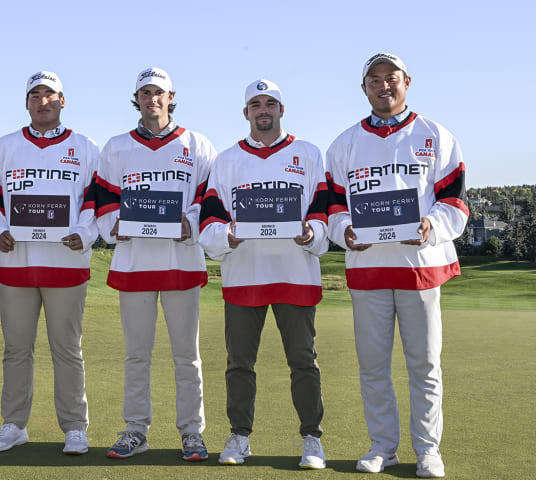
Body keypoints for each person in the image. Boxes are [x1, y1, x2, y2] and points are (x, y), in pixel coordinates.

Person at [325, 53, 468, 478]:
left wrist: (430, 226)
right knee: (372, 365)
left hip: (419, 268)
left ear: (407, 82)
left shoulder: (436, 136)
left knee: (424, 364)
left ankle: (427, 450)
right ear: (364, 87)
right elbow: (332, 207)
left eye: (392, 78)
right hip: (367, 268)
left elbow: (456, 204)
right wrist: (344, 230)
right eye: (375, 79)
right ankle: (383, 447)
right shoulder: (344, 144)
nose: (383, 86)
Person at [198, 79, 330, 469]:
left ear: (281, 110)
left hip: (295, 273)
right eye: (255, 104)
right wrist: (228, 235)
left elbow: (321, 213)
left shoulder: (308, 154)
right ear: (246, 113)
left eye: (270, 103)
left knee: (303, 361)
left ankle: (312, 439)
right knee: (239, 362)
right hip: (244, 275)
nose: (263, 110)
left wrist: (312, 233)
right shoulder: (226, 161)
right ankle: (239, 436)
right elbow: (209, 223)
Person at [89, 67, 216, 461]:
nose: (152, 99)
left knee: (186, 354)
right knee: (136, 354)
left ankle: (192, 432)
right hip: (134, 265)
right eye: (145, 93)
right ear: (137, 99)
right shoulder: (116, 147)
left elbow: (209, 200)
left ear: (171, 96)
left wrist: (189, 223)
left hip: (181, 262)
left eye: (158, 92)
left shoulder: (197, 145)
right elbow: (104, 203)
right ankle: (135, 429)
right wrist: (116, 227)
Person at [0, 71, 98, 455]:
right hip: (17, 263)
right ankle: (14, 424)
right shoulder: (4, 147)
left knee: (67, 348)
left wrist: (85, 232)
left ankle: (75, 428)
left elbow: (95, 203)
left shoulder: (85, 147)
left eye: (50, 95)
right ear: (26, 102)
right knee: (16, 349)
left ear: (63, 101)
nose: (42, 101)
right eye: (35, 95)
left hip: (67, 264)